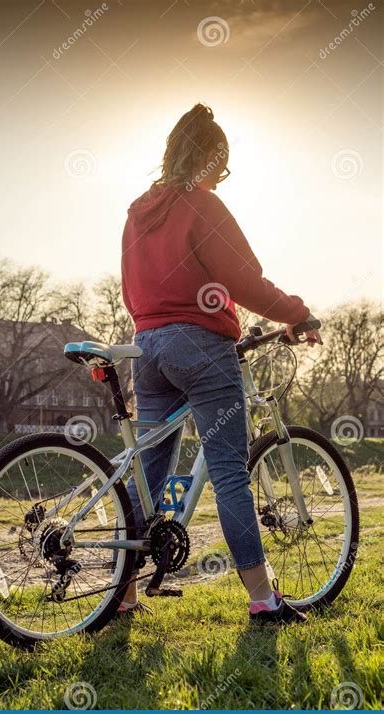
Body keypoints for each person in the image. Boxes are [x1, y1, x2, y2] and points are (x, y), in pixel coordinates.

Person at [119, 103, 322, 624]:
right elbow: (245, 281)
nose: (220, 175)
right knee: (231, 471)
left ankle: (123, 596)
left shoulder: (138, 210)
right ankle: (263, 598)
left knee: (148, 475)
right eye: (220, 163)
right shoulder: (203, 206)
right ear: (210, 155)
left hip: (147, 347)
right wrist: (297, 314)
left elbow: (132, 292)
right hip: (201, 348)